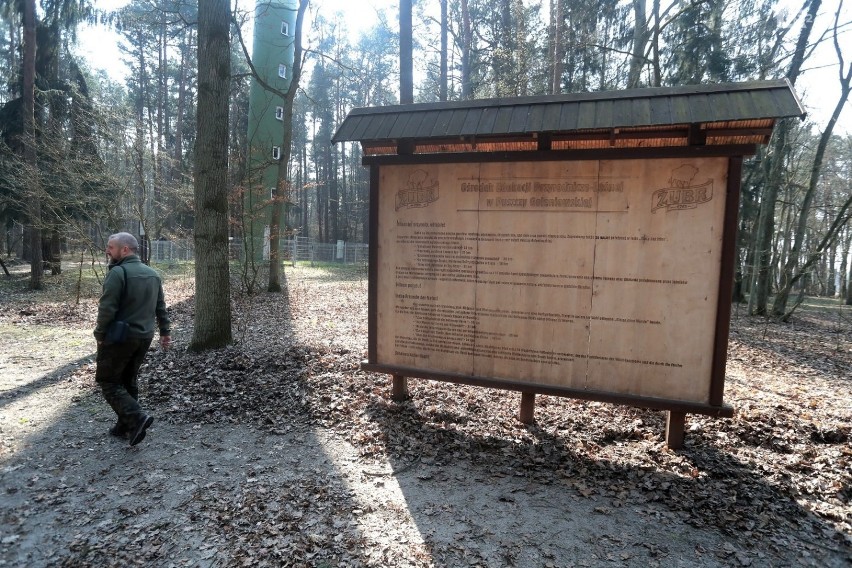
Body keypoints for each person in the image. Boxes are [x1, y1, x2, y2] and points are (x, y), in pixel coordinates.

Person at [94, 232, 171, 446]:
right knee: (128, 380)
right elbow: (160, 307)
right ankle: (125, 425)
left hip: (120, 337)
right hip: (144, 337)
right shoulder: (153, 274)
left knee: (108, 381)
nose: (107, 250)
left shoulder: (118, 273)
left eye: (111, 247)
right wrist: (165, 332)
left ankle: (136, 417)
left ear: (125, 250)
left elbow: (107, 308)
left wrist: (100, 335)